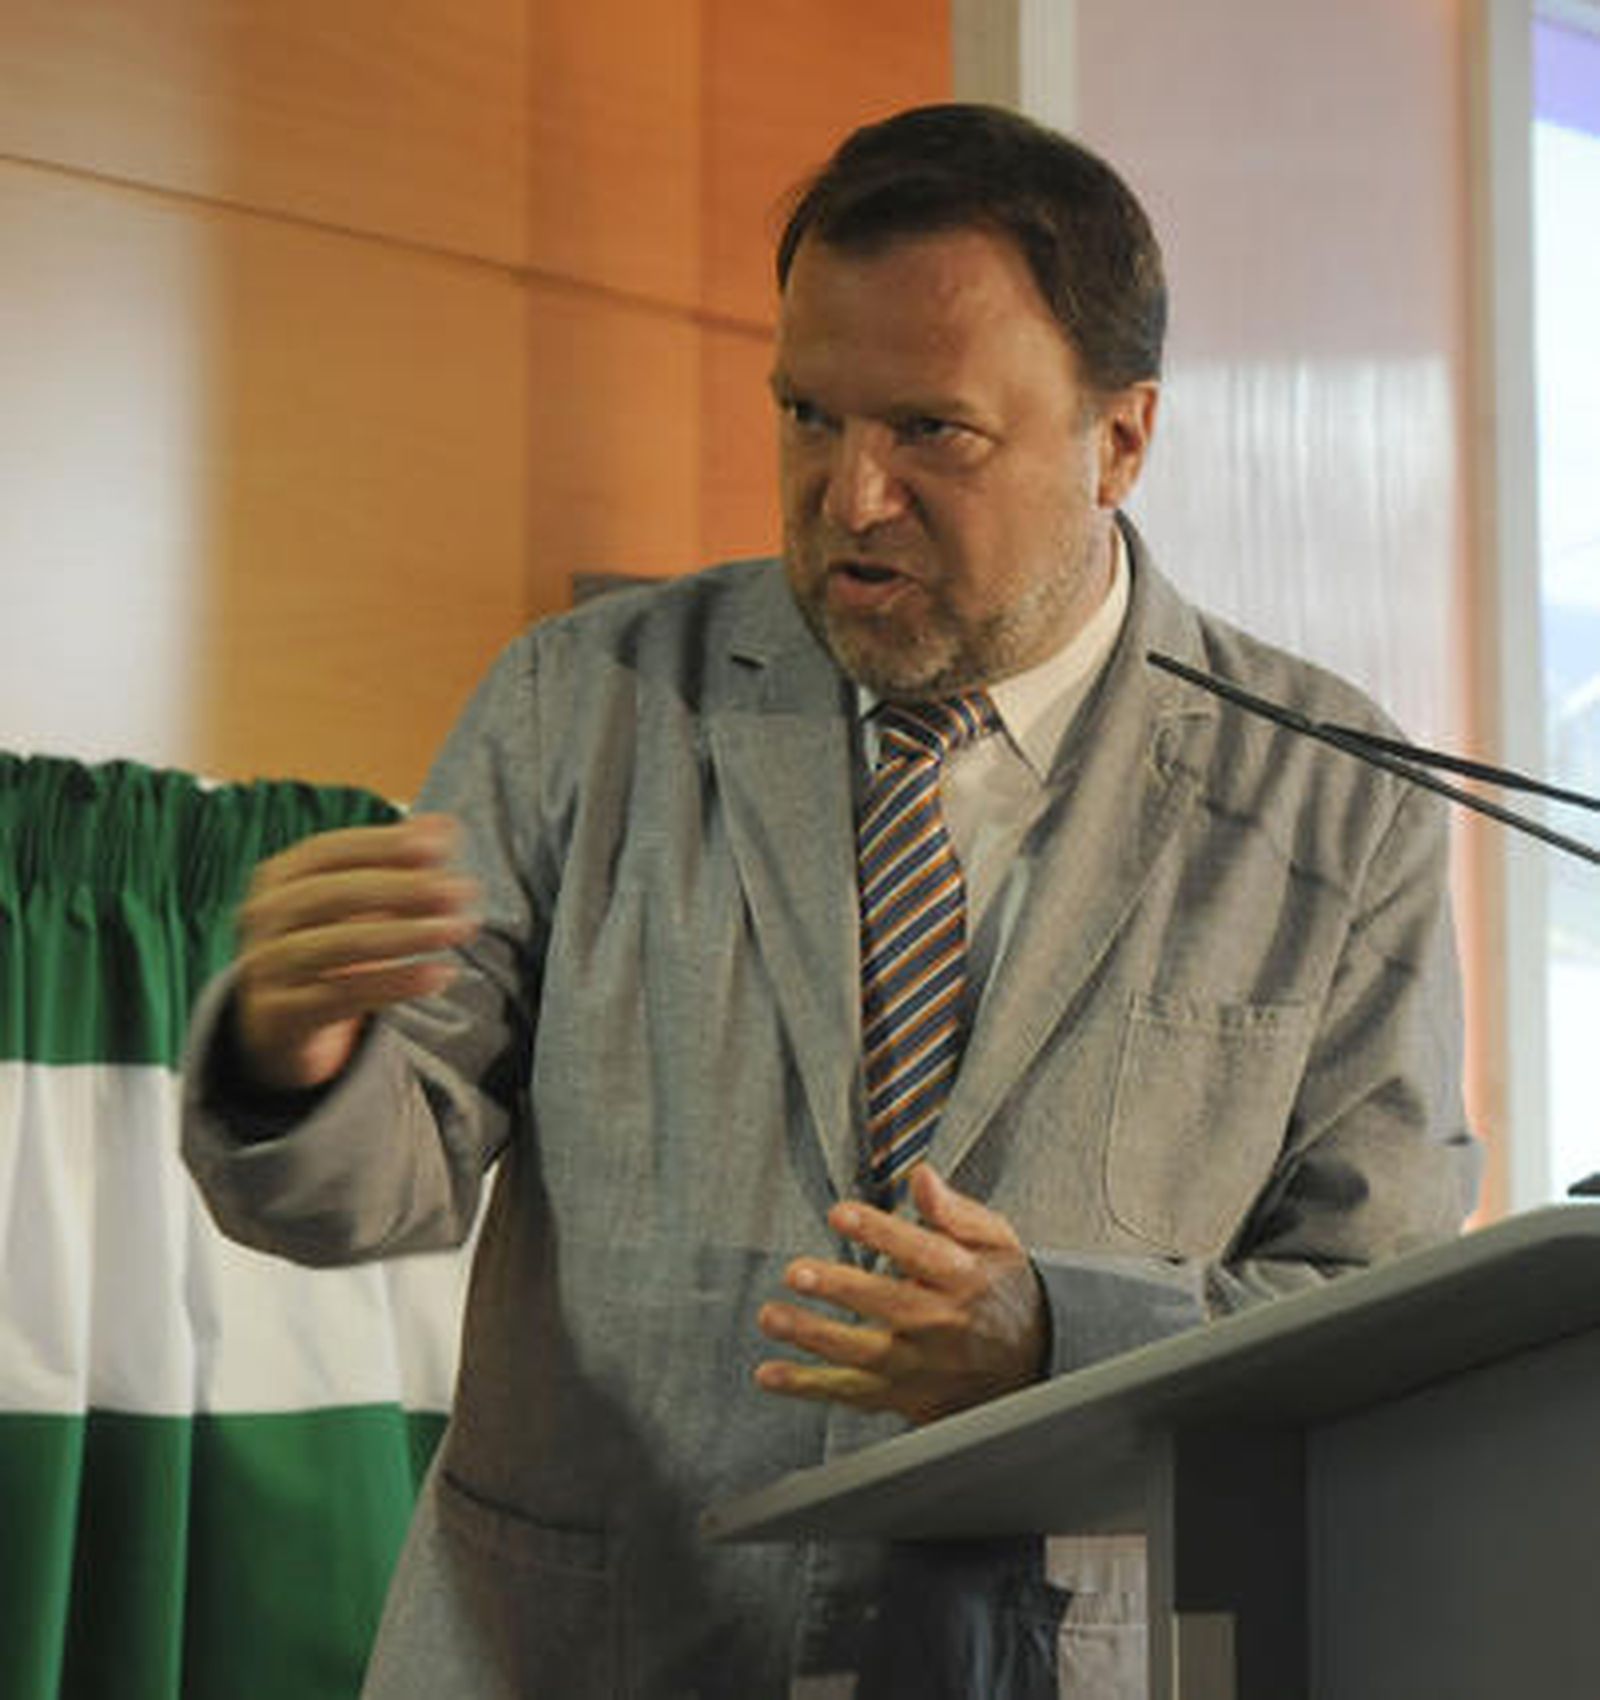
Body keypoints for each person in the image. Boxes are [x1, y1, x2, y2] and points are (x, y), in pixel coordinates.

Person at [181, 103, 1479, 1698]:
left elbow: (1372, 1311)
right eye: (807, 414)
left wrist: (1055, 1338)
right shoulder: (581, 704)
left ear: (1121, 440)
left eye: (934, 432)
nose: (851, 496)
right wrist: (295, 1064)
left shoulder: (1332, 799)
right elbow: (360, 1189)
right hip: (583, 1647)